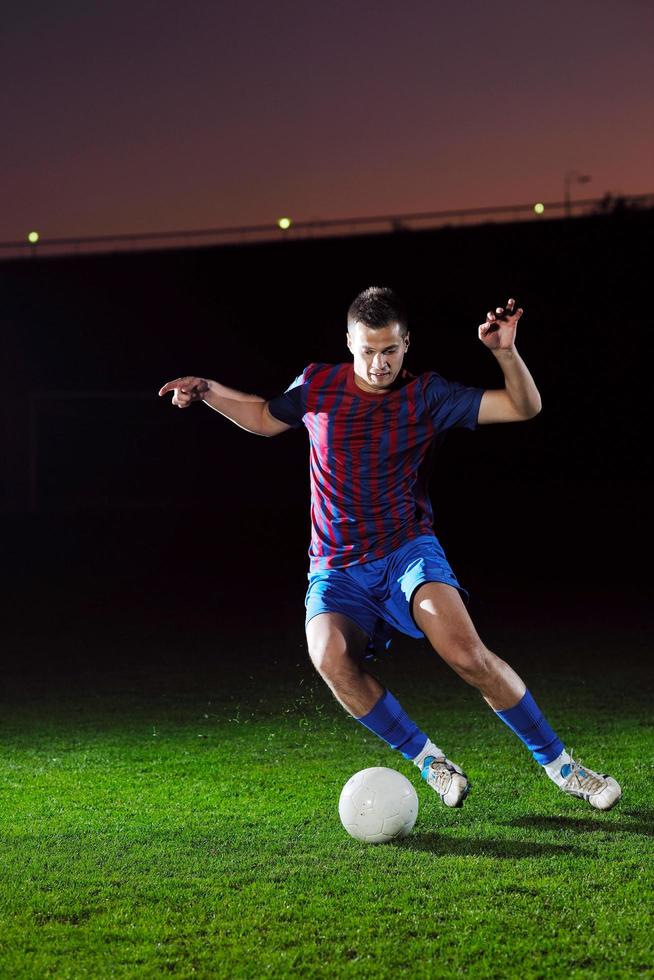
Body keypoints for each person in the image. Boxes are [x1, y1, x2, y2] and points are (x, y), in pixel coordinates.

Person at [159, 287, 621, 811]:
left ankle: (563, 768)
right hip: (335, 566)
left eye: (390, 351)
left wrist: (504, 351)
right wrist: (208, 390)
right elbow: (264, 417)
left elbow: (523, 406)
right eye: (367, 351)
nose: (378, 364)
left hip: (407, 552)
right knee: (329, 656)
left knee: (467, 656)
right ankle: (431, 762)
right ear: (349, 342)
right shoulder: (318, 385)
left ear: (407, 345)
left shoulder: (427, 396)